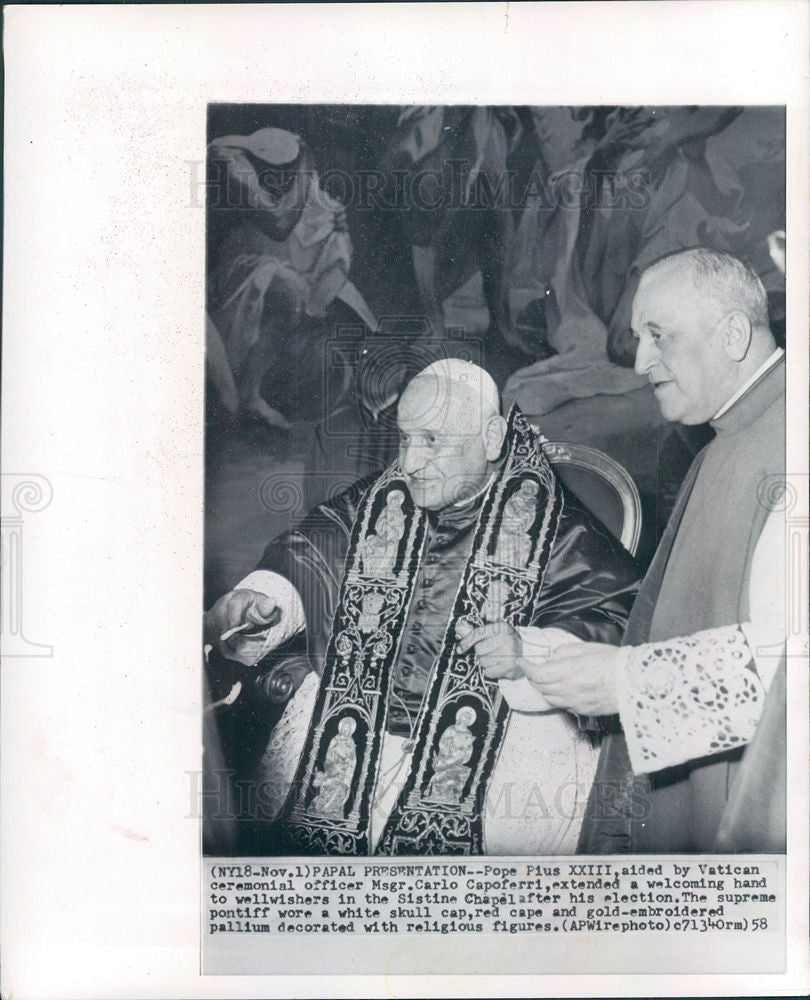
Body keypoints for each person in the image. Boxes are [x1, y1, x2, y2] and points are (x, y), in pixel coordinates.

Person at [204, 359, 639, 855]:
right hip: (358, 732)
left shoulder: (560, 530)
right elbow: (313, 548)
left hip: (497, 747)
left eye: (433, 440)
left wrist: (527, 652)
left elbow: (621, 620)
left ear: (492, 438)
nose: (410, 463)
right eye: (405, 438)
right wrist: (267, 598)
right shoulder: (380, 501)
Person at [487, 248, 786, 853]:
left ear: (732, 334)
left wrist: (630, 684)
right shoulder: (731, 436)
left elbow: (791, 669)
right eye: (637, 337)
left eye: (658, 335)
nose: (642, 360)